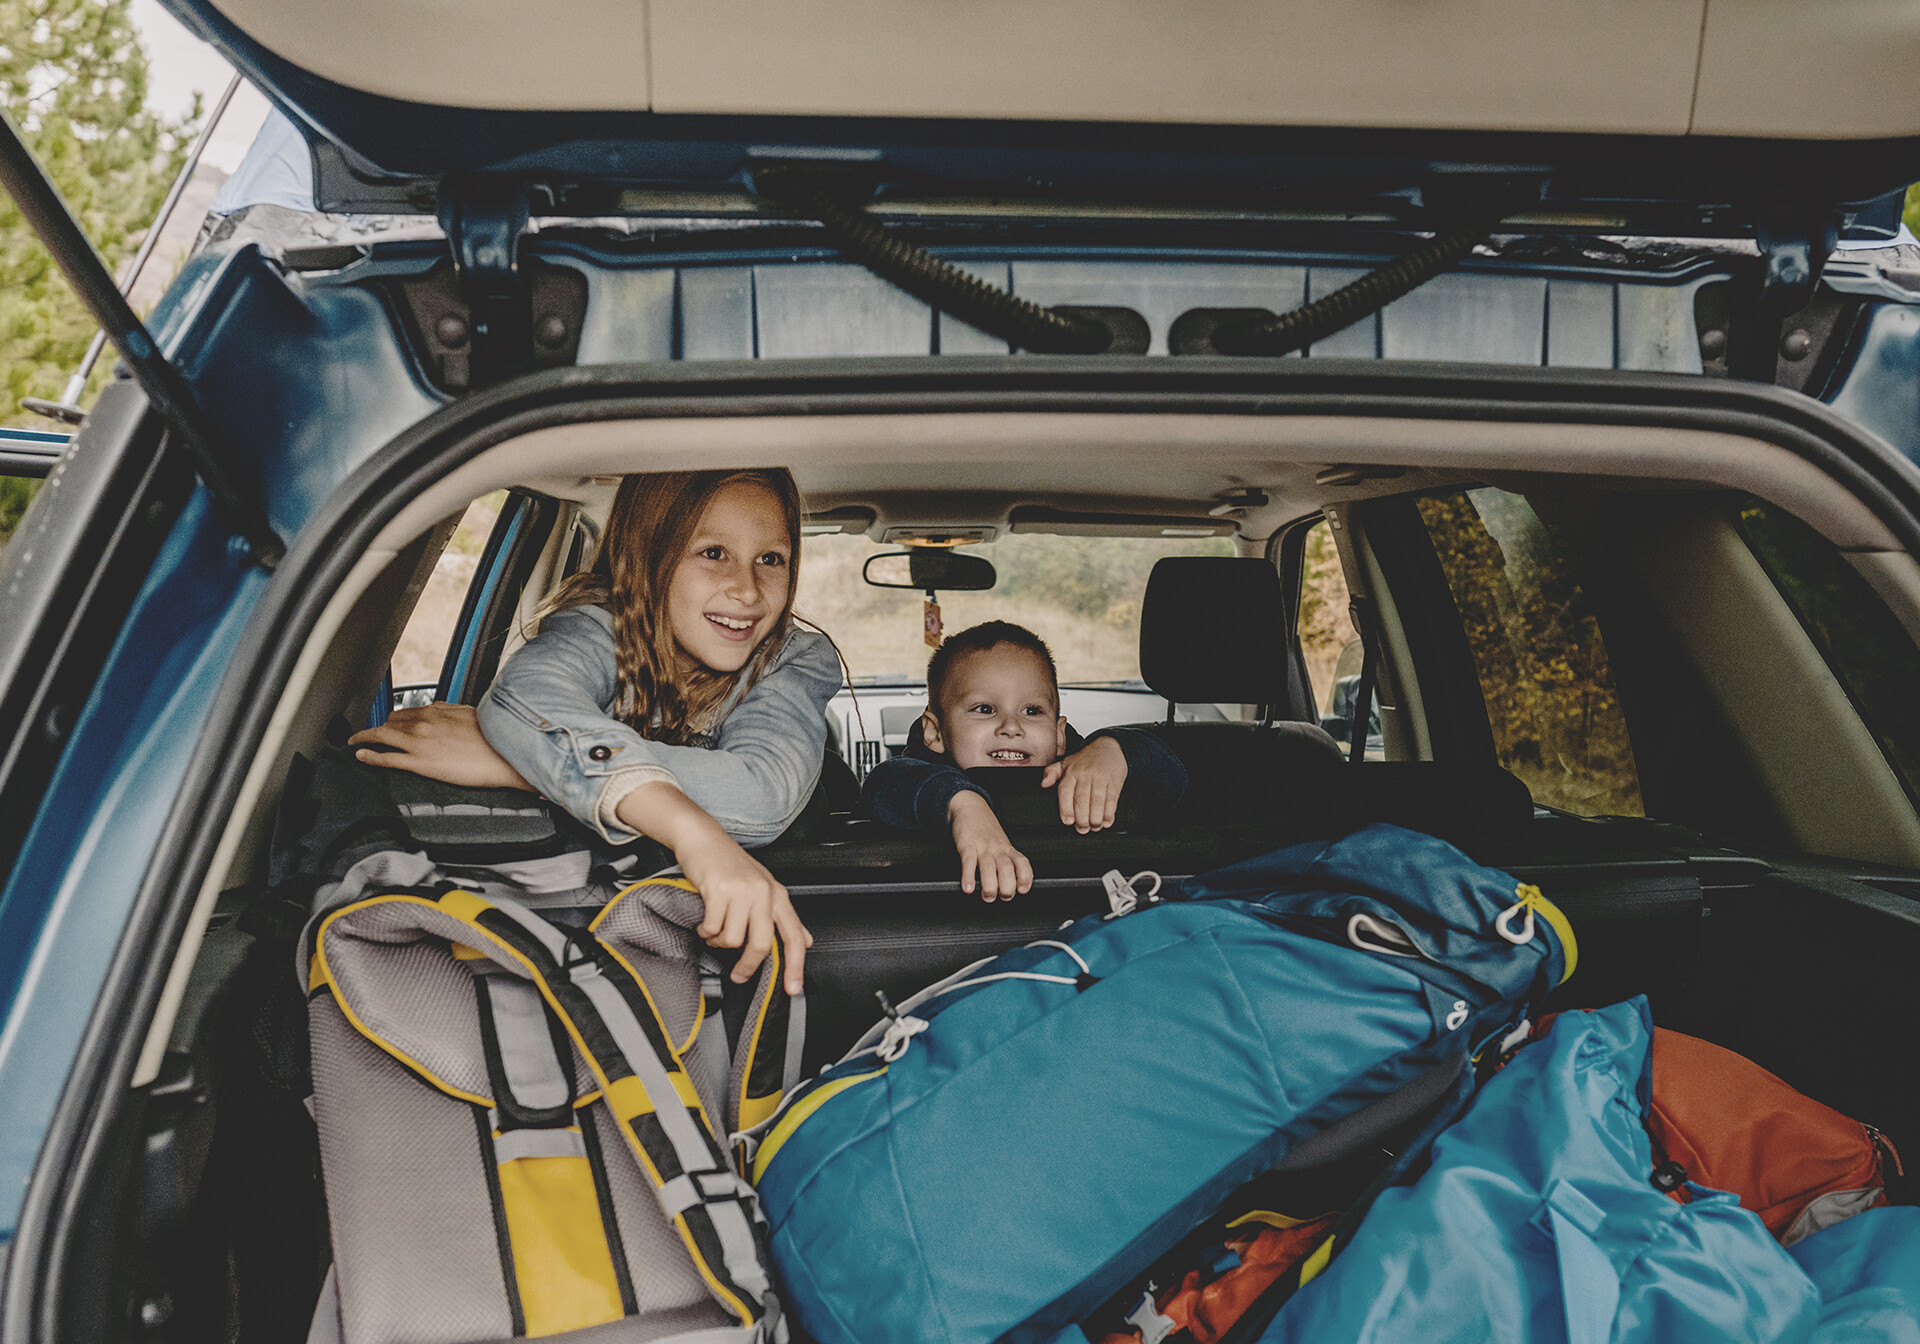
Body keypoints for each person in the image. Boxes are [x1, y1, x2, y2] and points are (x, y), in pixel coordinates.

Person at [349, 469, 840, 994]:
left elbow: (761, 795)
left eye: (771, 559)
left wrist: (517, 765)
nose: (746, 590)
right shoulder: (601, 624)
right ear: (648, 553)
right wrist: (677, 821)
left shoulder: (796, 657)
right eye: (713, 552)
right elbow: (530, 694)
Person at [860, 621, 1188, 901]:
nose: (1012, 727)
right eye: (985, 709)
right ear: (934, 732)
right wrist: (963, 805)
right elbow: (883, 785)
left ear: (1060, 734)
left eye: (1032, 711)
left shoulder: (1084, 769)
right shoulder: (919, 781)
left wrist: (1114, 748)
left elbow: (1174, 782)